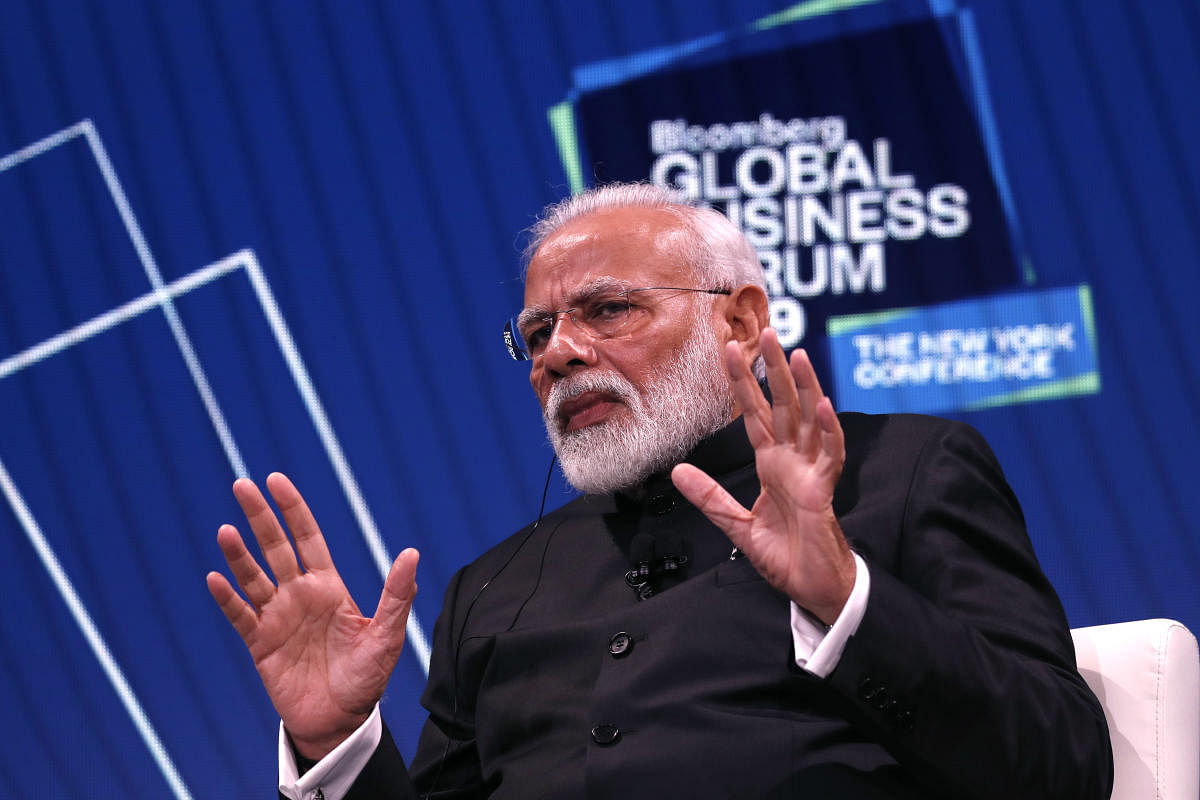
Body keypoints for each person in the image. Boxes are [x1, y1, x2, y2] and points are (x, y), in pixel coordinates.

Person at [207, 184, 1113, 799]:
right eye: (538, 331)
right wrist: (336, 748)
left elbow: (1065, 766)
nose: (561, 351)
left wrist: (846, 601)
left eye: (607, 310)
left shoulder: (906, 474)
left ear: (741, 317)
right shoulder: (491, 588)